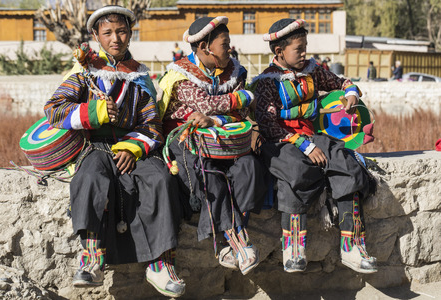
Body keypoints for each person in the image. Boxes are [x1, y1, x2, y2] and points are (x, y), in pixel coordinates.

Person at [44, 6, 185, 298]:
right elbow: (54, 110)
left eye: (121, 31)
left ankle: (160, 262)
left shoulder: (141, 76)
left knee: (160, 178)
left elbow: (153, 124)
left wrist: (134, 148)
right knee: (91, 177)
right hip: (94, 146)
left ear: (130, 34)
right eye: (107, 32)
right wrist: (92, 111)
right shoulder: (84, 72)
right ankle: (91, 255)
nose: (115, 38)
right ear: (96, 36)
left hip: (133, 147)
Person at [252, 18, 377, 274]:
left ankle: (352, 245)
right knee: (296, 172)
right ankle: (294, 247)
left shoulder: (312, 71)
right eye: (298, 49)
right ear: (279, 52)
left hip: (311, 135)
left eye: (305, 47)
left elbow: (340, 82)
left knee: (347, 165)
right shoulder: (267, 82)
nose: (304, 53)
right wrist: (304, 146)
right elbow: (267, 124)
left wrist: (351, 92)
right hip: (280, 141)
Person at [157, 16, 267, 275]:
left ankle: (224, 245)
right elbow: (205, 104)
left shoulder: (235, 71)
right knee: (210, 175)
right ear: (205, 47)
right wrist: (243, 96)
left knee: (249, 167)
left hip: (226, 139)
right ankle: (238, 241)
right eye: (224, 43)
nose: (229, 48)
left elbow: (232, 114)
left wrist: (217, 118)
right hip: (186, 142)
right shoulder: (181, 74)